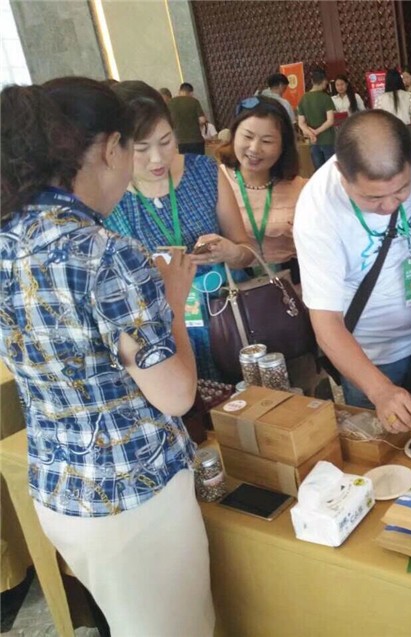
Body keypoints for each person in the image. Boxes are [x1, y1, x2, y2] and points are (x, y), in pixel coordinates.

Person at [0, 77, 213, 636]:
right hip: (133, 498)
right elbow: (175, 394)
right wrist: (173, 302)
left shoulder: (7, 237)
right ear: (109, 148)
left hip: (57, 488)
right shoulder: (108, 255)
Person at [294, 110, 411, 432]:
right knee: (381, 445)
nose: (390, 205)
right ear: (342, 174)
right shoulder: (317, 211)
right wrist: (380, 390)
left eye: (401, 191)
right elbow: (326, 322)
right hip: (368, 357)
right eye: (373, 197)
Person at [105, 81, 254, 381]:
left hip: (225, 322)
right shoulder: (109, 198)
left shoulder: (205, 172)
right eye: (141, 149)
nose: (158, 158)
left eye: (165, 141)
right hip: (160, 338)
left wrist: (231, 252)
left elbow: (246, 253)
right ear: (115, 146)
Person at [218, 96, 305, 281]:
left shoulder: (302, 189)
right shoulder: (215, 181)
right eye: (247, 137)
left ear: (283, 146)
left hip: (292, 285)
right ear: (233, 135)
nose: (254, 149)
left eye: (267, 141)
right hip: (234, 286)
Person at [297, 69, 336, 169]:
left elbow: (301, 123)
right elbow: (330, 121)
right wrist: (317, 131)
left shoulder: (303, 98)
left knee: (319, 170)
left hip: (313, 141)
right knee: (331, 169)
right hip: (328, 139)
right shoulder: (326, 98)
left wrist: (311, 133)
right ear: (324, 81)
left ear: (312, 81)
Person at [168, 82, 208, 155]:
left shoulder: (171, 103)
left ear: (179, 91)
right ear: (191, 93)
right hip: (196, 140)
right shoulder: (194, 101)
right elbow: (202, 120)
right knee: (198, 161)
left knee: (185, 161)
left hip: (180, 141)